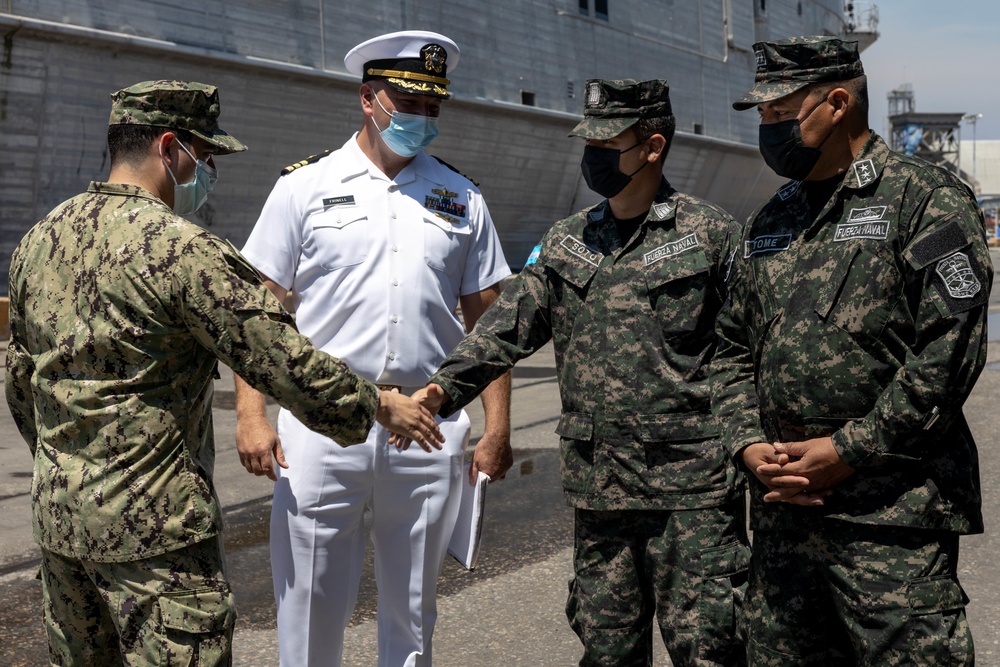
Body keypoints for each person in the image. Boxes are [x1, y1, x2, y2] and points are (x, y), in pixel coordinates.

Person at [4, 80, 443, 666]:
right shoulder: (182, 250)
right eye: (204, 157)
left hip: (62, 527)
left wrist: (68, 469)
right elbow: (281, 357)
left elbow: (19, 381)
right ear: (168, 147)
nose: (207, 171)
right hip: (157, 539)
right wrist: (379, 405)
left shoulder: (40, 239)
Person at [413, 79, 749, 666]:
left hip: (693, 493)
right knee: (606, 649)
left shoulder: (712, 235)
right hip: (601, 493)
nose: (592, 155)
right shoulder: (568, 242)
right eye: (587, 142)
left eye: (607, 142)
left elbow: (749, 353)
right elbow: (505, 326)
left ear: (653, 146)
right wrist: (443, 390)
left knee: (712, 648)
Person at [233, 31, 513, 666]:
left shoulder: (462, 198)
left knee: (413, 607)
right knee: (308, 601)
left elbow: (490, 328)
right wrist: (250, 417)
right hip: (322, 423)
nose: (421, 119)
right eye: (408, 104)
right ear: (368, 98)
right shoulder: (303, 187)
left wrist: (497, 425)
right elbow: (256, 315)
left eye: (433, 108)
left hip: (428, 425)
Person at [714, 36, 991, 664]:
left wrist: (848, 450)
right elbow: (730, 348)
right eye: (761, 115)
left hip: (890, 518)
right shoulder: (770, 219)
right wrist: (748, 446)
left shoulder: (925, 200)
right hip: (785, 519)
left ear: (837, 102)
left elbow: (949, 352)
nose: (767, 128)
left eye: (778, 112)